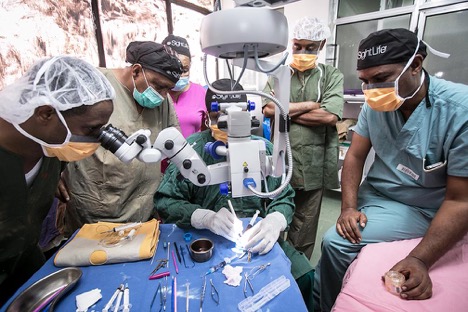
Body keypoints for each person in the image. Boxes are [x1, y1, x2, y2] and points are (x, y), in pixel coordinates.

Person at [313, 28, 468, 311]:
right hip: (375, 194)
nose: (372, 90)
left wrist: (420, 258)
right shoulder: (377, 104)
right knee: (337, 239)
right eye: (365, 81)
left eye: (381, 78)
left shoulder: (460, 111)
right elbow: (355, 156)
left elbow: (461, 200)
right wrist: (348, 207)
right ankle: (323, 298)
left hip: (421, 207)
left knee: (335, 242)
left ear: (416, 65)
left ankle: (330, 306)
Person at [155, 78, 315, 310]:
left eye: (235, 115)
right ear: (207, 116)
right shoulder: (192, 150)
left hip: (256, 238)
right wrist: (203, 217)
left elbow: (283, 196)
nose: (227, 122)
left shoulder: (264, 148)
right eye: (218, 116)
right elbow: (165, 201)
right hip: (206, 239)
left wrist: (275, 220)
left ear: (247, 113)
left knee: (305, 276)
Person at [0, 56, 115, 305]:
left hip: (24, 267)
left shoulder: (51, 148)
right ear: (45, 113)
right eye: (92, 130)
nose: (96, 140)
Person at [57, 41, 183, 237]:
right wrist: (51, 171)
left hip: (144, 208)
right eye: (158, 86)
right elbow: (53, 125)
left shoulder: (162, 99)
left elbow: (175, 140)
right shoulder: (93, 85)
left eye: (169, 89)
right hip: (98, 207)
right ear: (136, 71)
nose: (163, 95)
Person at [262, 16, 344, 259]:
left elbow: (330, 116)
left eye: (310, 47)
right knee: (274, 218)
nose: (302, 52)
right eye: (298, 46)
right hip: (281, 159)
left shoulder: (331, 75)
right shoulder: (279, 73)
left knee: (304, 227)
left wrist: (286, 109)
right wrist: (311, 104)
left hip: (313, 163)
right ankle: (272, 263)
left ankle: (297, 272)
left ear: (321, 45)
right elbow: (267, 108)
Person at [162, 34, 207, 138]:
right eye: (174, 70)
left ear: (190, 65)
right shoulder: (156, 94)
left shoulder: (200, 93)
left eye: (185, 70)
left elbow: (207, 132)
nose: (180, 75)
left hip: (192, 152)